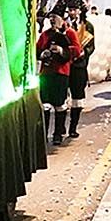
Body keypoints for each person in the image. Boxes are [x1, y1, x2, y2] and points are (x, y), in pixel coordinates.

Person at [38, 8, 80, 144]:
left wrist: (62, 50)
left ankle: (58, 134)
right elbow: (38, 48)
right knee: (45, 104)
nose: (52, 20)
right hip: (46, 73)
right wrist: (43, 53)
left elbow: (77, 50)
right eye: (50, 18)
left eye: (55, 18)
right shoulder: (45, 35)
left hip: (61, 72)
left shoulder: (70, 33)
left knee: (59, 104)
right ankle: (43, 135)